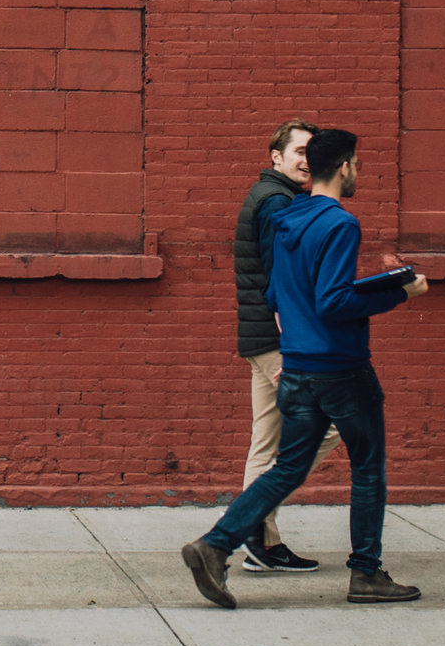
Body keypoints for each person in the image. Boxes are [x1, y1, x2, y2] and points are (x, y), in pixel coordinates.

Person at [183, 127, 428, 610]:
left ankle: (215, 545)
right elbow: (335, 300)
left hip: (296, 366)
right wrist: (399, 292)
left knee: (287, 467)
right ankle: (366, 574)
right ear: (343, 167)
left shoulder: (289, 217)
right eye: (355, 164)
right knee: (369, 471)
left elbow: (276, 293)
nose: (357, 171)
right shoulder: (340, 223)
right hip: (341, 367)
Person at [231, 118, 340, 574]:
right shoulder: (278, 201)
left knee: (266, 440)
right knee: (327, 427)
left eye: (311, 153)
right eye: (298, 152)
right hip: (278, 340)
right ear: (276, 157)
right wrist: (295, 347)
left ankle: (259, 537)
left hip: (260, 338)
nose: (306, 160)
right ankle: (252, 524)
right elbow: (283, 283)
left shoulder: (271, 196)